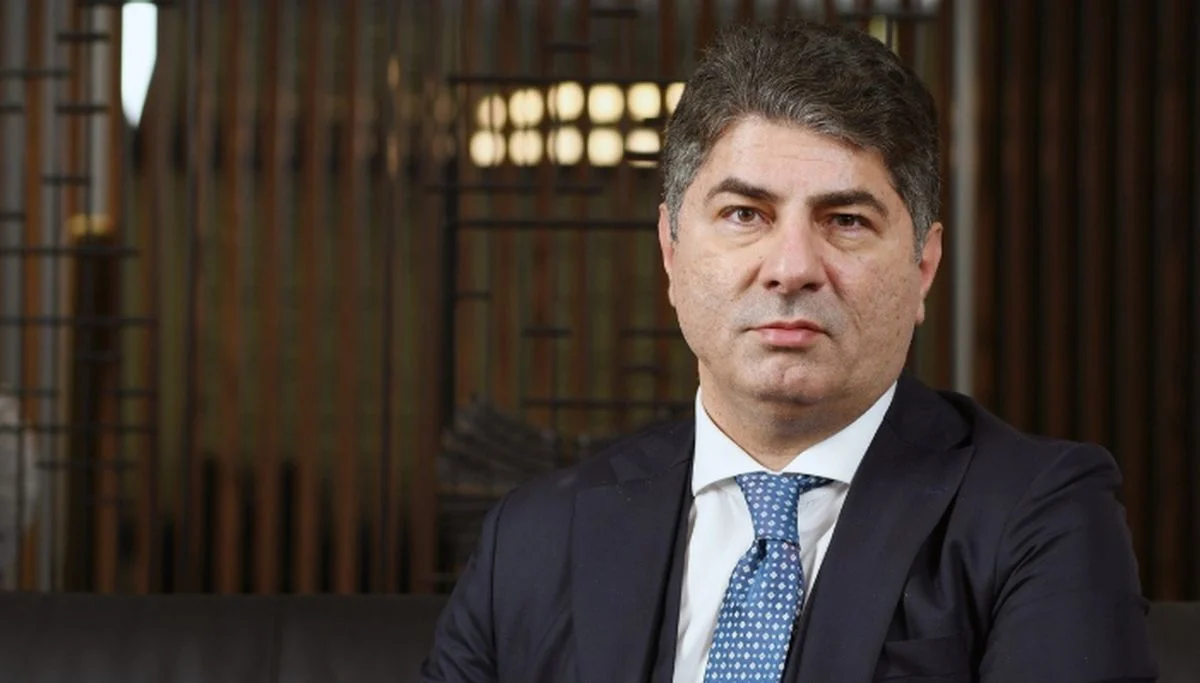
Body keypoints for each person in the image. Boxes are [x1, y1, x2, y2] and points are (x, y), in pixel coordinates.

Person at [421, 19, 1156, 683]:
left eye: (846, 220)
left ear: (924, 267)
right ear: (671, 253)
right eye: (745, 214)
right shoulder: (533, 538)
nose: (792, 266)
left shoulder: (1041, 518)